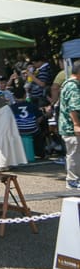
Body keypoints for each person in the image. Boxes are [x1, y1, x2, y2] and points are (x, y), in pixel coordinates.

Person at [57, 61, 80, 190]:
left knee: (75, 153)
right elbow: (74, 108)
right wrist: (76, 124)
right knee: (75, 154)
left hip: (68, 127)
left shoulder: (68, 84)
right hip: (72, 128)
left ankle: (74, 178)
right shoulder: (73, 87)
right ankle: (72, 179)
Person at [10, 82, 41, 162]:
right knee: (39, 131)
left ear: (14, 96)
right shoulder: (31, 105)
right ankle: (40, 152)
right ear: (25, 95)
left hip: (19, 130)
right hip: (32, 129)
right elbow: (40, 117)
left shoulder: (12, 107)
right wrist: (36, 124)